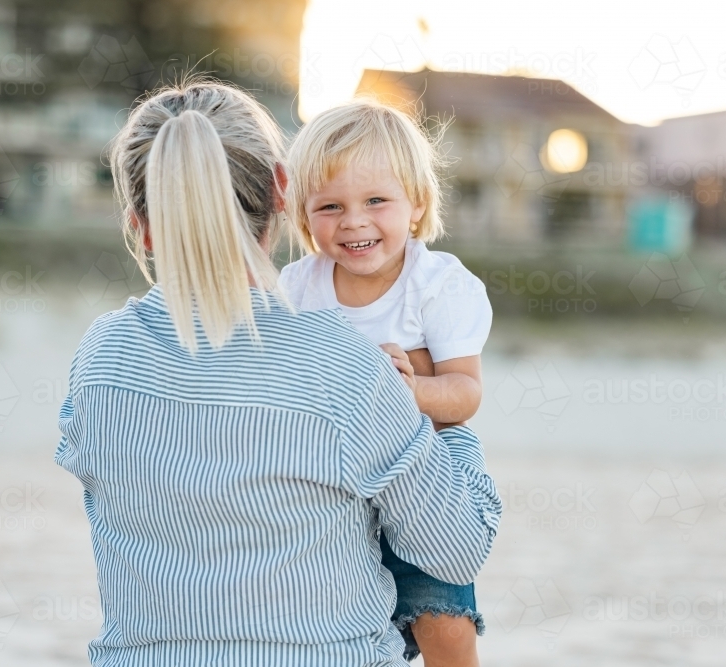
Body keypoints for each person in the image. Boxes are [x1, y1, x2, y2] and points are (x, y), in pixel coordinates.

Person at [56, 80, 502, 666]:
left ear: (140, 224)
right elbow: (455, 551)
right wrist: (434, 422)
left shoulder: (101, 359)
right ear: (283, 192)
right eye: (336, 205)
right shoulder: (345, 362)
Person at [279, 99, 492, 666]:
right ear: (303, 216)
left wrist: (410, 390)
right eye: (330, 206)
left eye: (377, 200)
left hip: (424, 456)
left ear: (417, 205)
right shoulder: (298, 287)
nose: (354, 221)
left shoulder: (437, 284)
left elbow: (464, 395)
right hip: (333, 464)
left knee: (439, 611)